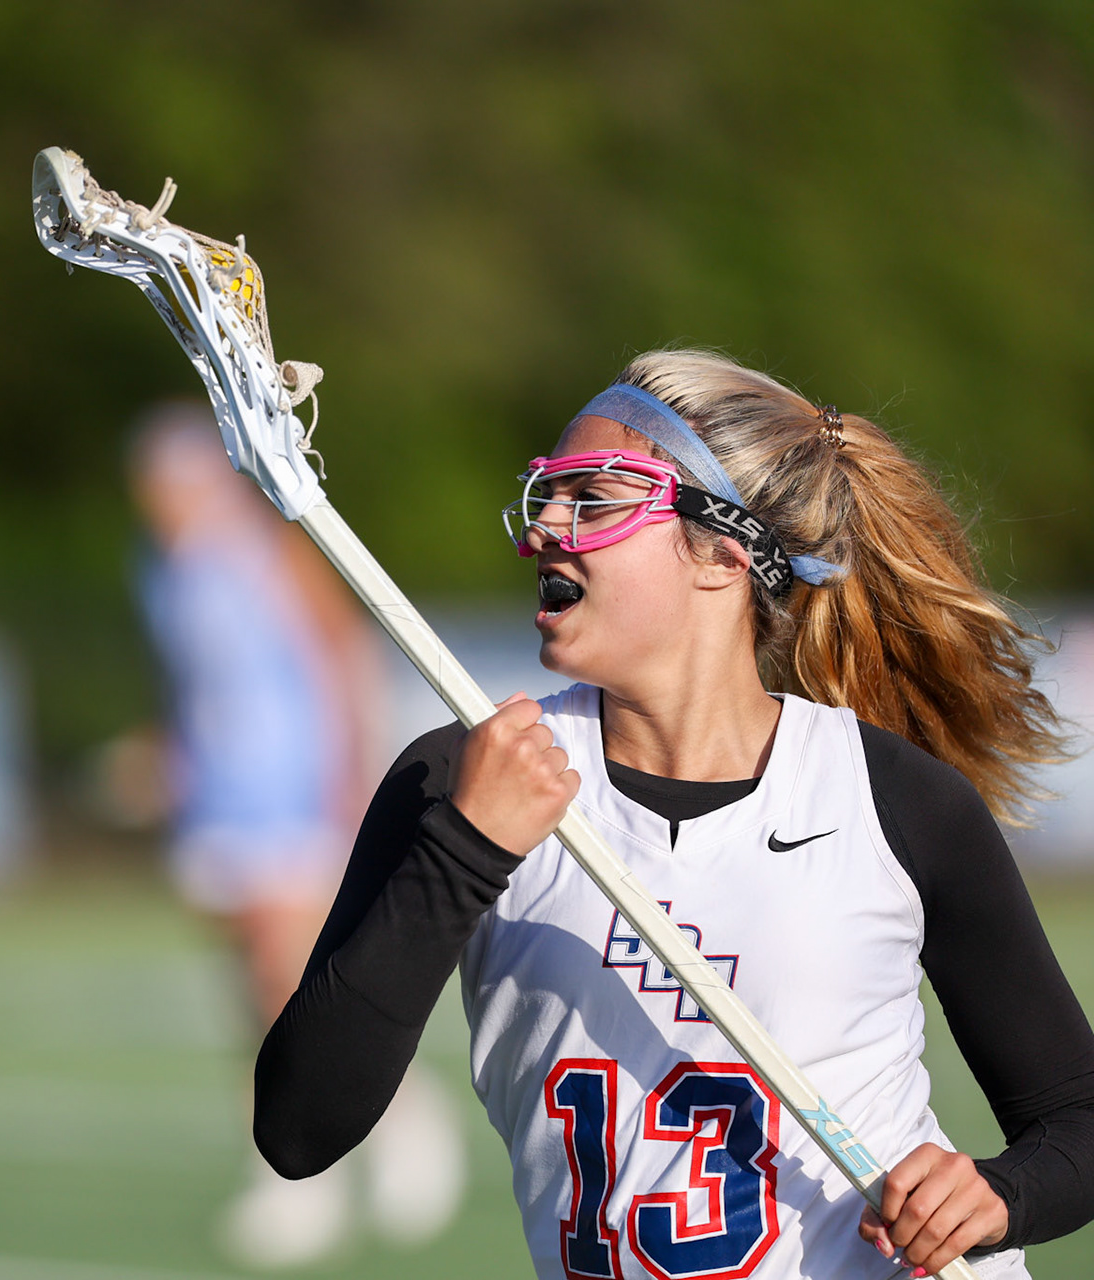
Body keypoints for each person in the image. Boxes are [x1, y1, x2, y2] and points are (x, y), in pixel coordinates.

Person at [254, 349, 1094, 1279]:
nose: (545, 532)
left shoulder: (893, 800)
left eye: (595, 499)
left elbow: (1079, 1123)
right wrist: (466, 851)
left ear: (727, 551)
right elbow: (299, 1131)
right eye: (545, 495)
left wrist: (998, 1196)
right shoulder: (462, 780)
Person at [130, 404, 465, 1269]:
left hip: (288, 792)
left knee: (293, 971)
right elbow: (200, 691)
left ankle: (361, 1136)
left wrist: (353, 770)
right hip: (220, 802)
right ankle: (310, 1144)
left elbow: (335, 654)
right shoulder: (165, 572)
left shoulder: (263, 552)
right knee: (253, 981)